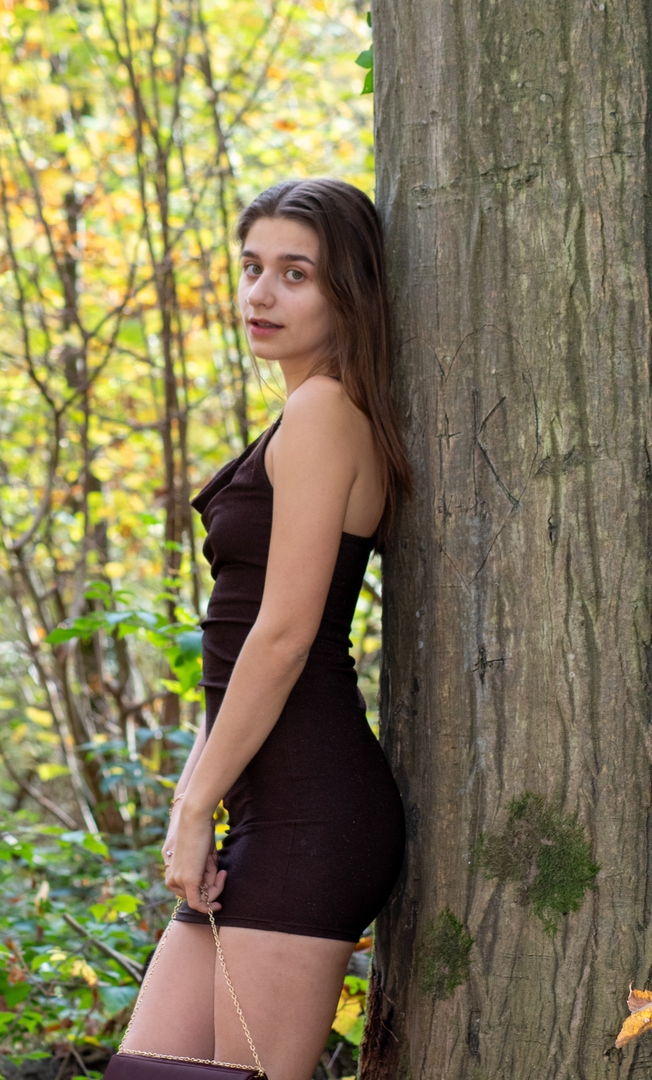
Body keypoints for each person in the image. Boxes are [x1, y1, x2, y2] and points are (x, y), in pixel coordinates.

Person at [121, 179, 410, 1080]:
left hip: (310, 813)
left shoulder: (326, 411)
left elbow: (283, 636)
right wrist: (201, 798)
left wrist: (193, 807)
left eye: (295, 274)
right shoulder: (302, 414)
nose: (261, 294)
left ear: (348, 292)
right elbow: (237, 640)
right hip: (260, 808)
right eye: (252, 268)